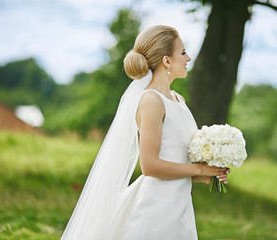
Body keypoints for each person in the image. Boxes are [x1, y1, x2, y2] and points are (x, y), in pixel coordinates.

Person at [61, 25, 230, 240]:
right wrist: (199, 169)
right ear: (166, 61)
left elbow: (174, 158)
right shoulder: (152, 101)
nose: (188, 58)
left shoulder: (178, 100)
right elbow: (150, 166)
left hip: (180, 205)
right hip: (157, 209)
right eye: (183, 52)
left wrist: (206, 174)